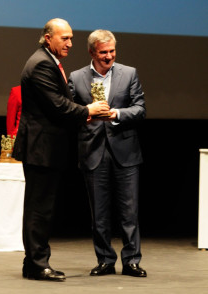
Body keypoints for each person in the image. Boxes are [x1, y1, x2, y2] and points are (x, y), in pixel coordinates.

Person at [12, 19, 110, 282]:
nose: (69, 43)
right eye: (64, 38)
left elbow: (61, 106)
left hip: (46, 147)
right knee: (38, 209)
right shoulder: (42, 63)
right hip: (40, 147)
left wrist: (86, 116)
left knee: (42, 208)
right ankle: (36, 264)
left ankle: (33, 262)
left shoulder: (48, 60)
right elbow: (59, 106)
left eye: (71, 38)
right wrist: (88, 111)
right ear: (47, 38)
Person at [68, 29, 147, 277]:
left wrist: (117, 114)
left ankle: (132, 260)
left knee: (129, 211)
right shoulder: (77, 77)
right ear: (92, 52)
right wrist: (88, 112)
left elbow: (140, 109)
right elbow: (69, 112)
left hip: (125, 150)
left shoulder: (129, 73)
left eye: (112, 51)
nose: (109, 56)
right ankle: (105, 260)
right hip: (93, 151)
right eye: (103, 52)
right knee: (99, 213)